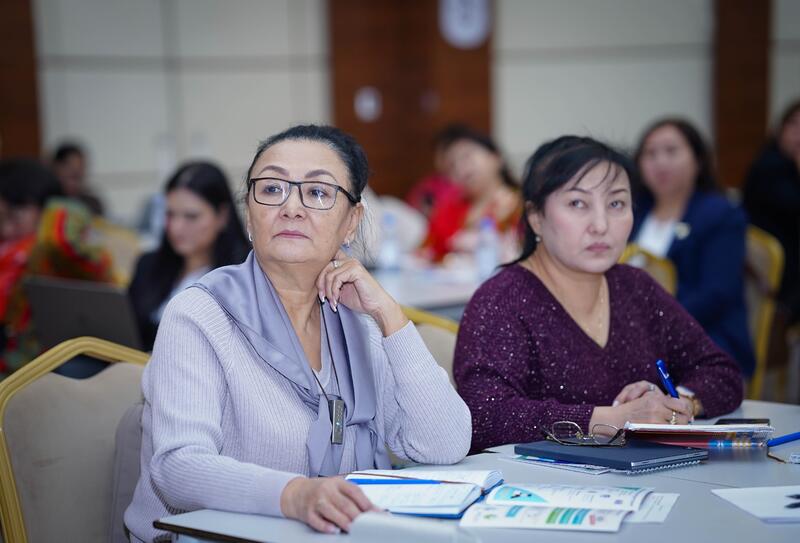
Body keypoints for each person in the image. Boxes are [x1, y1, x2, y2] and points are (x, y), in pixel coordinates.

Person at [124, 125, 471, 541]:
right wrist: (294, 495)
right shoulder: (200, 314)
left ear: (351, 222)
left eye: (318, 192)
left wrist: (389, 316)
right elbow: (177, 467)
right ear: (249, 213)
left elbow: (444, 445)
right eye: (272, 189)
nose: (291, 208)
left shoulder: (358, 322)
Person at [454, 135, 743, 453]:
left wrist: (677, 403)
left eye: (616, 204)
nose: (601, 225)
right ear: (536, 217)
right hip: (535, 481)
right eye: (578, 204)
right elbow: (483, 415)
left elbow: (722, 372)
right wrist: (611, 419)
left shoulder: (635, 287)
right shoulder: (501, 300)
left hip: (644, 474)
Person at [630, 118, 755, 377]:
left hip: (704, 342)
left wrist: (649, 327)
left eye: (671, 151)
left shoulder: (721, 214)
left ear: (698, 160)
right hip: (635, 340)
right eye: (650, 153)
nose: (660, 162)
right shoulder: (633, 211)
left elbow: (715, 294)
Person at [0, 159, 114, 376]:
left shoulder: (48, 251)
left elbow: (64, 243)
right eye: (4, 217)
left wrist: (57, 205)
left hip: (35, 361)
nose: (8, 228)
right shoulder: (9, 247)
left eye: (16, 214)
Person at [128, 162, 249, 351]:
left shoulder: (243, 278)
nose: (176, 228)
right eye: (170, 214)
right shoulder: (148, 265)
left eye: (191, 216)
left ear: (222, 216)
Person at [422, 128, 521, 262]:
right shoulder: (447, 211)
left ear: (496, 157)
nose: (460, 168)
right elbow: (426, 254)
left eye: (466, 156)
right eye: (452, 166)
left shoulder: (522, 204)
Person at [744, 99, 800, 325]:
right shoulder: (769, 166)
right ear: (780, 129)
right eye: (793, 124)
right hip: (775, 271)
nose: (798, 133)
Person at [51, 142, 104, 215]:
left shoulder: (92, 203)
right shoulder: (46, 200)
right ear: (56, 167)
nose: (76, 172)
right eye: (69, 166)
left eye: (80, 167)